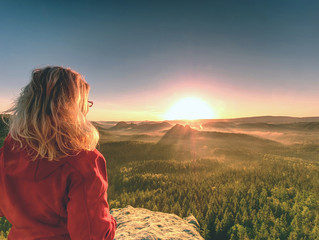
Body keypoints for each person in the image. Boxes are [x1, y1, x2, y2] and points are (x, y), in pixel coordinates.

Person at [0, 66, 117, 239]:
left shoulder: (8, 152)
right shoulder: (84, 162)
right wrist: (111, 224)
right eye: (85, 104)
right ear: (72, 108)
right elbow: (92, 235)